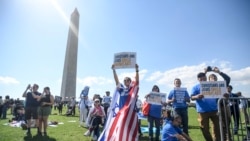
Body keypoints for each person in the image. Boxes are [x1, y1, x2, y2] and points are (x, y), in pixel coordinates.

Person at [190, 72, 221, 141]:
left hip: (214, 109)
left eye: (203, 77)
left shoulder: (212, 85)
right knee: (204, 129)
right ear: (198, 79)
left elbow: (220, 92)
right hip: (202, 111)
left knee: (217, 127)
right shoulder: (195, 87)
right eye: (200, 78)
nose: (202, 78)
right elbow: (191, 97)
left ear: (206, 78)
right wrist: (197, 96)